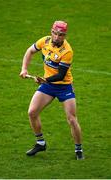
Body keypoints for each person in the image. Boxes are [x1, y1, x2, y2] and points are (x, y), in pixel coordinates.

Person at [20, 20, 84, 160]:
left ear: (65, 35)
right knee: (32, 112)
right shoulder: (45, 41)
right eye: (55, 33)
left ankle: (78, 149)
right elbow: (30, 51)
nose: (57, 37)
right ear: (51, 31)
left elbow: (61, 75)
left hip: (64, 86)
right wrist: (24, 68)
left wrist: (44, 80)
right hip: (48, 85)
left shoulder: (67, 51)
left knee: (72, 119)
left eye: (60, 35)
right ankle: (40, 143)